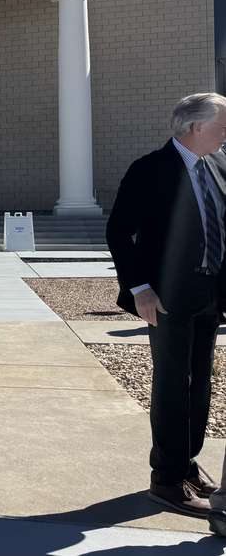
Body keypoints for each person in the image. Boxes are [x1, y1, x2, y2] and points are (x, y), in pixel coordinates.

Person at [107, 92, 226, 519]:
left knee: (200, 384)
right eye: (222, 124)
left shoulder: (219, 165)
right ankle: (167, 478)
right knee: (174, 383)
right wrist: (139, 288)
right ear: (195, 127)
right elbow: (120, 232)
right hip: (167, 297)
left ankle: (188, 464)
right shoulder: (149, 170)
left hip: (210, 294)